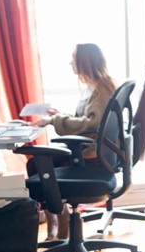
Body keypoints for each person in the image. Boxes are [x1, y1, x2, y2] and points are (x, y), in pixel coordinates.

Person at [31, 43, 117, 240]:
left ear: (84, 61)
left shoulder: (100, 89)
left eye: (74, 58)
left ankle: (60, 217)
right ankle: (59, 217)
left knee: (37, 165)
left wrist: (54, 120)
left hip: (93, 154)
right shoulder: (97, 86)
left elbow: (92, 124)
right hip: (95, 149)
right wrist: (60, 115)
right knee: (37, 163)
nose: (70, 62)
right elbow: (89, 120)